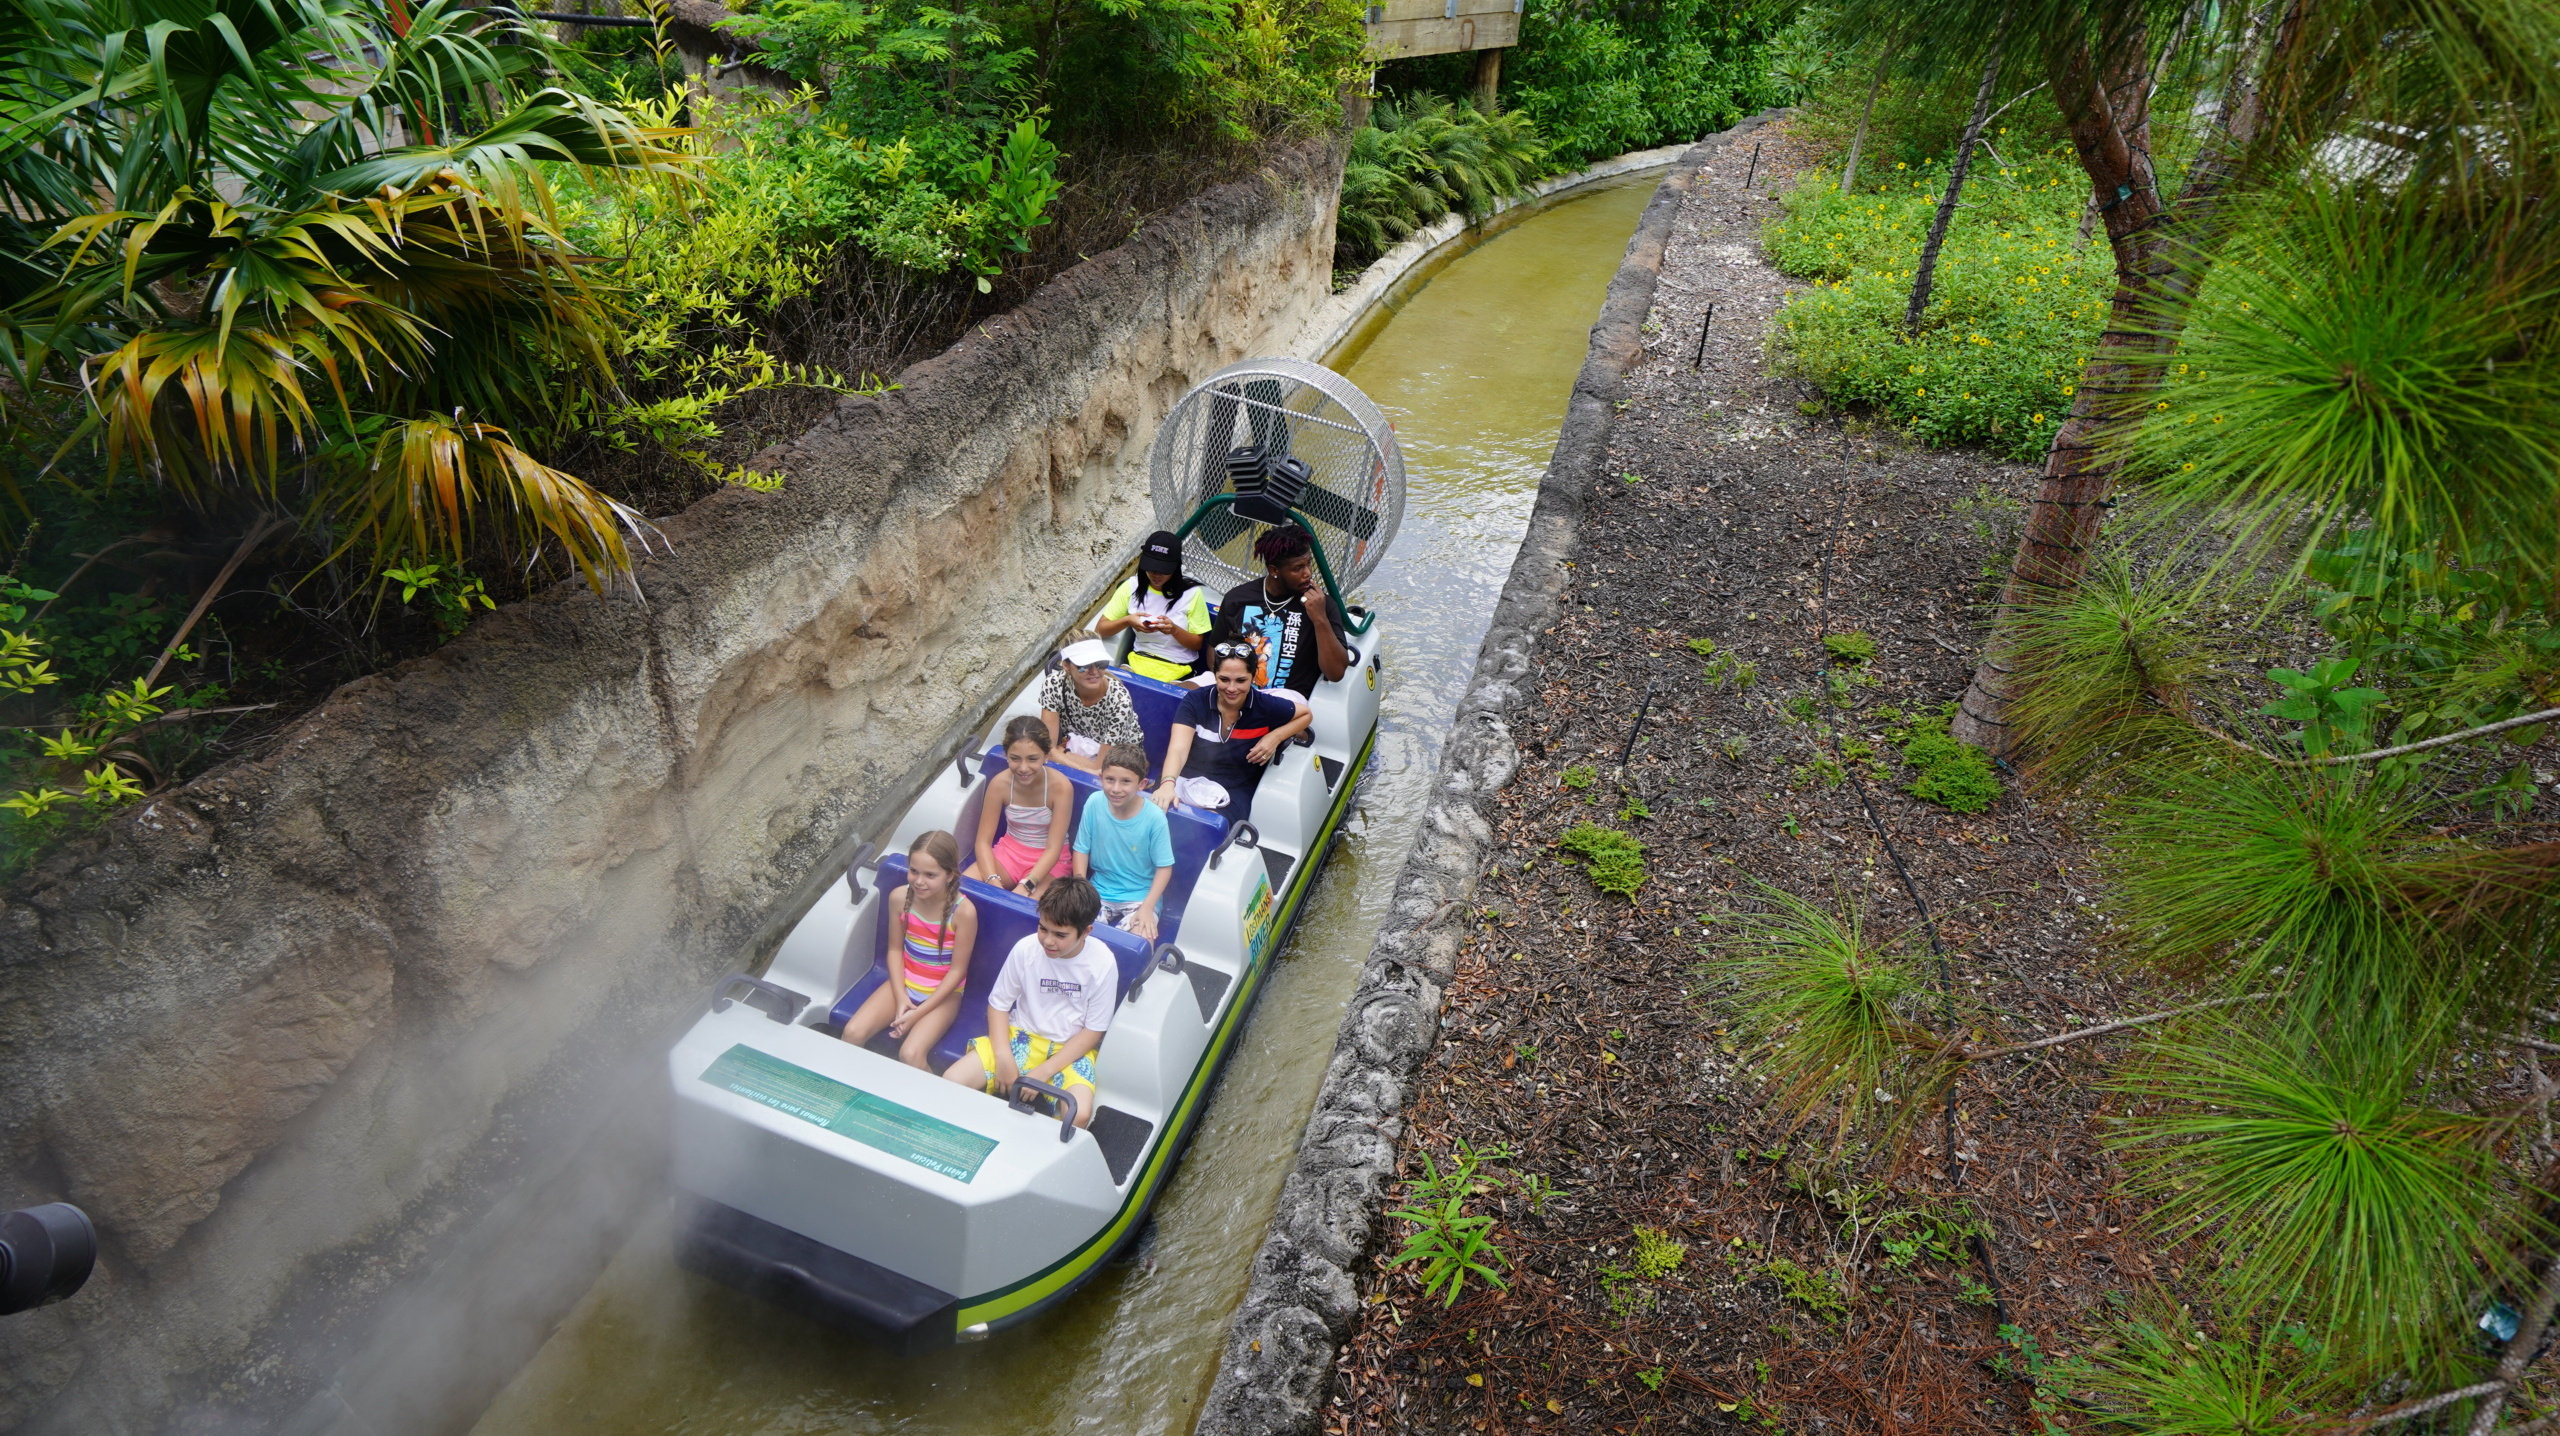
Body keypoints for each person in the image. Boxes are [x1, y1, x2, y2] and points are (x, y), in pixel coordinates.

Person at [944, 876, 1116, 1129]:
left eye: (1060, 935)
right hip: (1020, 1037)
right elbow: (999, 1005)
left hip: (1067, 1048)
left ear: (1086, 931)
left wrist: (1043, 1072)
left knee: (1077, 1114)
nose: (1048, 940)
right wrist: (1003, 1056)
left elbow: (1094, 1030)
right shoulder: (1026, 949)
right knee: (952, 1080)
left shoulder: (1102, 962)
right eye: (1043, 928)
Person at [838, 831, 978, 1069]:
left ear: (950, 875)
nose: (919, 881)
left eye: (930, 875)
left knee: (910, 1054)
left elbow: (957, 972)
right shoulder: (899, 898)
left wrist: (919, 1012)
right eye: (914, 871)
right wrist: (902, 995)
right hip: (904, 983)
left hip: (943, 995)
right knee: (852, 1032)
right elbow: (894, 950)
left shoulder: (964, 912)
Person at [1155, 643, 1312, 822]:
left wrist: (1275, 737)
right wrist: (1168, 783)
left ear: (1253, 678)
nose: (1231, 688)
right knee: (1157, 814)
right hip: (1186, 776)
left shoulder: (1265, 705)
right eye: (1224, 679)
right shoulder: (1195, 701)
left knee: (1204, 826)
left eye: (1240, 681)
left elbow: (1305, 715)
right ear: (1215, 675)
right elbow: (1178, 749)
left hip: (1235, 787)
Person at [1213, 524, 1351, 699]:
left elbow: (1336, 673)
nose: (1307, 573)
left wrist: (1320, 619)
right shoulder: (1237, 598)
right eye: (1297, 568)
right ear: (1274, 570)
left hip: (1288, 705)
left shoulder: (1322, 605)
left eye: (1309, 564)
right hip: (1238, 696)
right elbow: (1216, 649)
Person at [1074, 743, 1173, 940]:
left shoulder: (1154, 818)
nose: (1116, 789)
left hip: (1140, 895)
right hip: (1099, 890)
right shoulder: (1094, 802)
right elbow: (1081, 850)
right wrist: (1080, 888)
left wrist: (1147, 907)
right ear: (1101, 778)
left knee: (1141, 938)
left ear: (1141, 784)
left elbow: (1164, 867)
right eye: (1110, 780)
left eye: (1126, 781)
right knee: (1076, 933)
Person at [965, 716, 1073, 897]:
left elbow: (1053, 848)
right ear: (1006, 755)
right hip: (1010, 853)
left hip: (1050, 862)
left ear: (1046, 755)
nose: (1023, 768)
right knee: (961, 891)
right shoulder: (999, 784)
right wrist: (992, 880)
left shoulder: (1060, 787)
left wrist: (1026, 885)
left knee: (1026, 907)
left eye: (1032, 759)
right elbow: (983, 841)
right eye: (1015, 758)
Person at [1097, 530, 1212, 683]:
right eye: (1151, 569)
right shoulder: (1130, 587)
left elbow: (1197, 644)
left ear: (1175, 567)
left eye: (1163, 571)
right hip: (1138, 662)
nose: (1156, 575)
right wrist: (1128, 621)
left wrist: (1173, 630)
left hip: (1179, 668)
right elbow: (1100, 630)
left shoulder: (1192, 593)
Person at [1040, 637, 1145, 774]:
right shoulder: (1054, 684)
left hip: (1120, 761)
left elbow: (1101, 769)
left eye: (1101, 663)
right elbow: (1048, 749)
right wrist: (1068, 758)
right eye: (1084, 665)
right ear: (1066, 666)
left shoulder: (1120, 701)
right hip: (1077, 747)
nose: (1094, 671)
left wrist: (1064, 753)